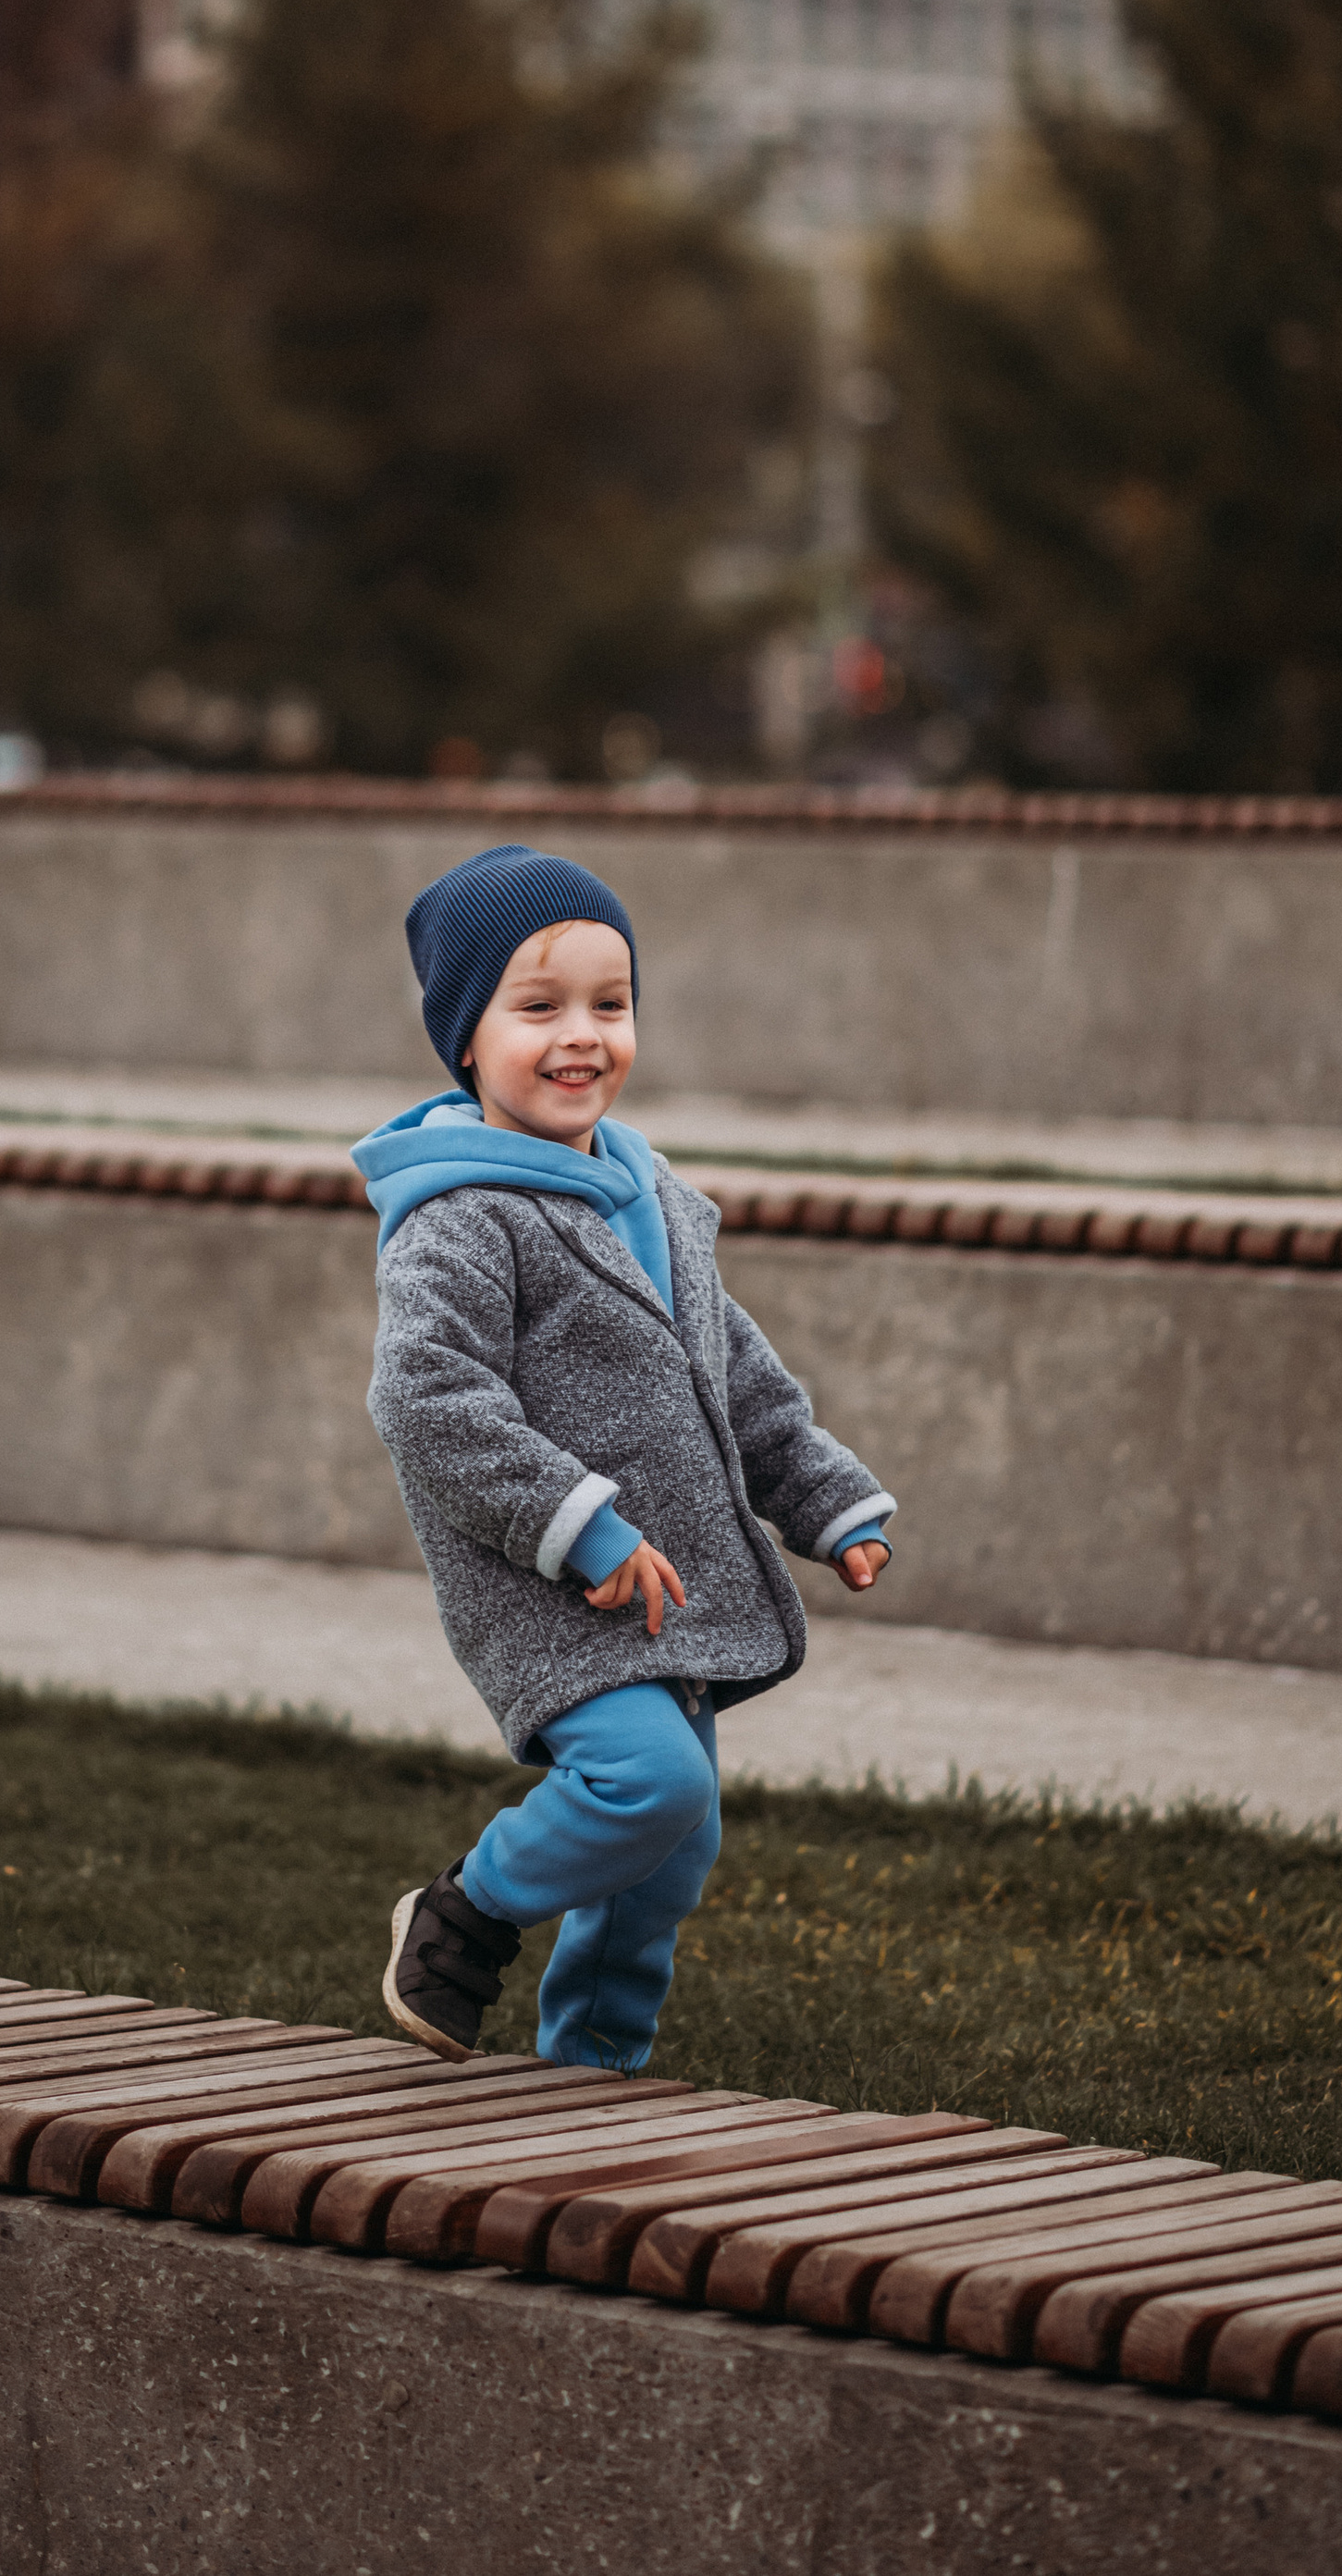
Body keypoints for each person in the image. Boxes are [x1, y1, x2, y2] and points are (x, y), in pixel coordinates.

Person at [354, 844, 893, 2071]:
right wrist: (580, 1524)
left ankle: (594, 2060)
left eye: (611, 1002)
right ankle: (460, 1913)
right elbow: (426, 1397)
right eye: (537, 1006)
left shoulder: (646, 1187)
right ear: (466, 1037)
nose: (581, 1034)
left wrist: (825, 1495)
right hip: (550, 1584)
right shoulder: (459, 1215)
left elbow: (733, 1374)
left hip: (668, 1588)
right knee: (649, 1785)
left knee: (671, 1842)